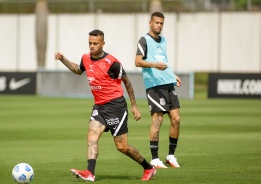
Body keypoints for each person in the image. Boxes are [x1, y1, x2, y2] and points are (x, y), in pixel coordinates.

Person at [55, 29, 156, 182]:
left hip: (116, 107)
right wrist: (63, 59)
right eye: (90, 43)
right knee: (92, 137)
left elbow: (127, 82)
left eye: (95, 43)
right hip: (99, 107)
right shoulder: (85, 58)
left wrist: (134, 106)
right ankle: (90, 173)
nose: (92, 46)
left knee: (122, 147)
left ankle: (148, 167)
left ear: (103, 43)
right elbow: (77, 70)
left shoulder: (112, 63)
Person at [135, 12, 182, 168]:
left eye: (161, 23)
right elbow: (137, 61)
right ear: (150, 23)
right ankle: (155, 159)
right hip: (154, 86)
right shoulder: (144, 40)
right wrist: (154, 65)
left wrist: (173, 75)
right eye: (156, 23)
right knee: (158, 119)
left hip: (168, 83)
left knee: (176, 119)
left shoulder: (164, 40)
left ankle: (170, 156)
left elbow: (164, 62)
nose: (159, 26)